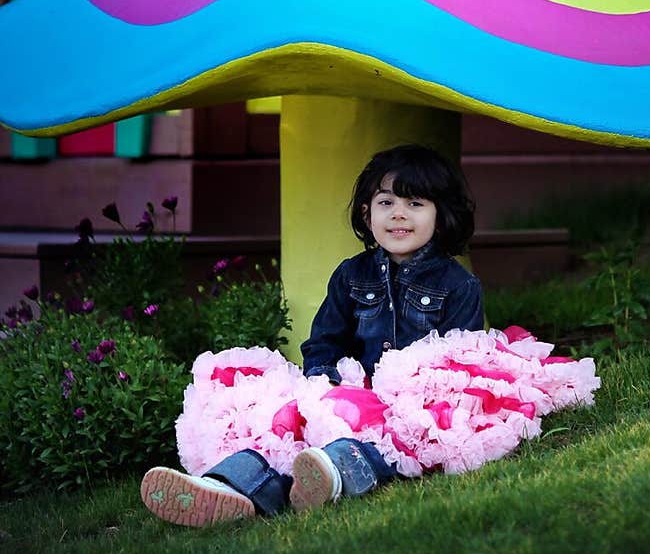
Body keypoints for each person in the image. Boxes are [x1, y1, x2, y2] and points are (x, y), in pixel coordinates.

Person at [140, 143, 486, 526]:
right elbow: (324, 342)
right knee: (285, 425)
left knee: (377, 448)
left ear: (442, 216)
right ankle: (229, 485)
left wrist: (400, 408)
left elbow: (457, 363)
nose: (399, 214)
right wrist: (326, 388)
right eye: (386, 203)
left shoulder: (458, 285)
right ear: (367, 213)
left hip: (406, 414)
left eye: (415, 204)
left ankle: (330, 475)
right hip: (345, 396)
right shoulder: (352, 275)